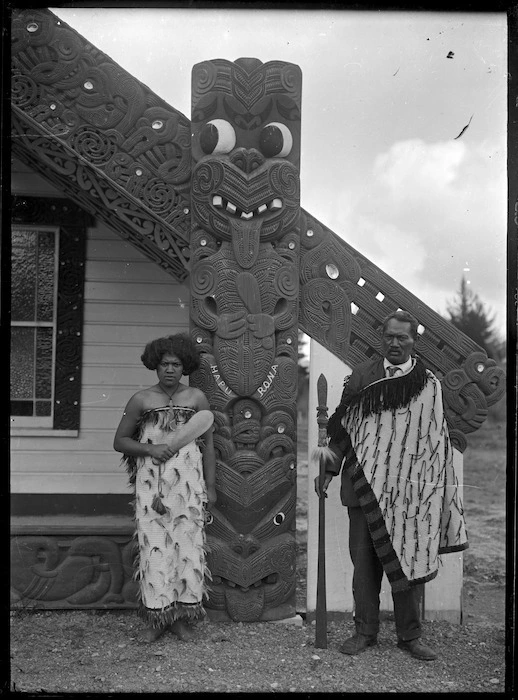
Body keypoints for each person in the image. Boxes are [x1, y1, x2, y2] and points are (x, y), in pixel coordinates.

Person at [314, 310, 468, 661]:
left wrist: (434, 489)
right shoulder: (362, 378)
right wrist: (325, 469)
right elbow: (341, 431)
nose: (395, 343)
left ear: (415, 341)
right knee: (364, 568)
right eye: (390, 337)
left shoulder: (427, 384)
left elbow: (433, 440)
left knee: (408, 563)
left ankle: (409, 636)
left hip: (408, 495)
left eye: (403, 337)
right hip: (363, 488)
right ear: (380, 338)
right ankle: (364, 632)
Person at [114, 333, 216, 643]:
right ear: (154, 367)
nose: (169, 370)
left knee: (187, 547)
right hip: (151, 488)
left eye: (175, 364)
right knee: (155, 547)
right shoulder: (141, 400)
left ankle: (181, 618)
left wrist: (210, 487)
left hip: (189, 485)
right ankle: (157, 618)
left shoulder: (197, 399)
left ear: (185, 366)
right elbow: (120, 441)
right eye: (163, 365)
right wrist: (150, 450)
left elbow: (208, 446)